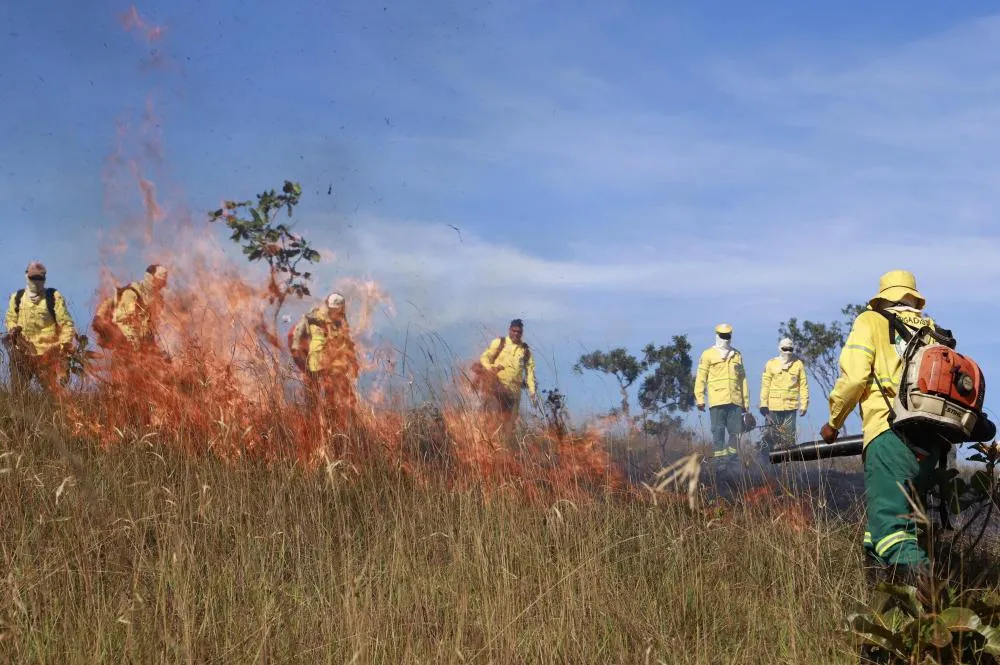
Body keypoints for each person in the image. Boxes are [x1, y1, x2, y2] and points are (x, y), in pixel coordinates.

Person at [821, 270, 994, 579]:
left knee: (892, 530)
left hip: (890, 435)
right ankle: (885, 607)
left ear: (882, 299)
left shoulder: (870, 321)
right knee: (884, 529)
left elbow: (856, 378)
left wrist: (833, 423)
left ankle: (932, 614)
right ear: (914, 299)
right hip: (932, 444)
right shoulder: (933, 331)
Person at [3, 261, 77, 391]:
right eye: (33, 278)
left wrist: (64, 348)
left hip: (48, 356)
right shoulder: (17, 297)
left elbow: (67, 324)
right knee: (18, 395)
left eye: (39, 278)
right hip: (22, 354)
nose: (36, 281)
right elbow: (10, 318)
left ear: (44, 279)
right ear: (27, 277)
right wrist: (13, 329)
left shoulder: (53, 297)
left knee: (53, 397)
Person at [288, 292, 360, 423]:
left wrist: (353, 362)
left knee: (327, 400)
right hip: (317, 365)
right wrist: (300, 359)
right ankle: (314, 426)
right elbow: (297, 340)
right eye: (337, 309)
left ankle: (326, 425)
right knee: (315, 399)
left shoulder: (338, 320)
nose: (339, 312)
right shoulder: (313, 317)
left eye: (340, 310)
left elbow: (347, 342)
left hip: (328, 365)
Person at [694, 323, 750, 458]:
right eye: (723, 335)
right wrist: (700, 399)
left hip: (735, 402)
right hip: (717, 401)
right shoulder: (708, 354)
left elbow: (743, 380)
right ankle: (720, 463)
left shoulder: (737, 355)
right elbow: (701, 378)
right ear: (717, 335)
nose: (725, 338)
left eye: (727, 335)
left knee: (735, 433)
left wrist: (745, 402)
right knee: (718, 432)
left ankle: (733, 462)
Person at [92, 264, 169, 353]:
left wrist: (156, 351)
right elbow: (121, 320)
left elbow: (150, 329)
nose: (161, 286)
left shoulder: (157, 302)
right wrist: (133, 341)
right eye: (159, 281)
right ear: (151, 278)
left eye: (163, 283)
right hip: (127, 350)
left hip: (143, 349)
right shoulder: (131, 294)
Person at [477, 319, 538, 426]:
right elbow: (485, 357)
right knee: (491, 419)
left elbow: (530, 373)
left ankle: (504, 442)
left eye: (519, 332)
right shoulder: (500, 342)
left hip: (513, 395)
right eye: (514, 331)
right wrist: (490, 368)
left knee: (509, 424)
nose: (516, 334)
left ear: (522, 333)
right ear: (509, 330)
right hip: (495, 389)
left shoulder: (525, 351)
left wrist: (532, 392)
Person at [759, 337, 809, 451]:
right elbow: (765, 385)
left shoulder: (798, 364)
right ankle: (767, 465)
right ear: (780, 349)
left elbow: (804, 385)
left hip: (790, 408)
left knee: (789, 440)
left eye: (790, 349)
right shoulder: (771, 364)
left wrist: (804, 404)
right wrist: (763, 404)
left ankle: (787, 465)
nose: (787, 352)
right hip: (773, 408)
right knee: (770, 437)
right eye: (785, 349)